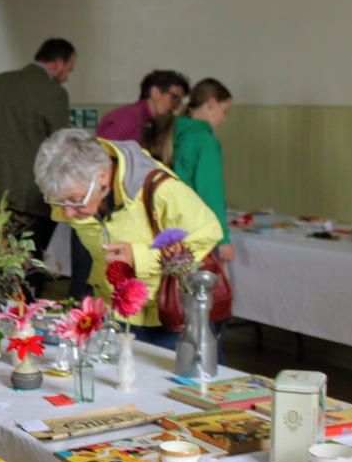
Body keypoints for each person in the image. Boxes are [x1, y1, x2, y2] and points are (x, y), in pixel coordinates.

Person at [34, 128, 222, 351]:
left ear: (101, 177)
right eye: (59, 202)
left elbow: (208, 234)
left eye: (74, 200)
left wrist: (140, 257)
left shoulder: (160, 189)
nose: (67, 214)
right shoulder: (73, 199)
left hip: (168, 320)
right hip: (114, 316)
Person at [65, 70, 192, 299]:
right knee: (88, 282)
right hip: (95, 209)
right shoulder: (129, 118)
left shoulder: (143, 121)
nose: (176, 105)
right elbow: (98, 162)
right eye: (174, 97)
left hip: (108, 212)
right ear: (154, 92)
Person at [0, 38, 75, 296]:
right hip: (31, 194)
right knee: (29, 262)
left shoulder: (0, 81)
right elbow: (61, 145)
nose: (66, 78)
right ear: (58, 63)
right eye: (68, 70)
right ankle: (24, 318)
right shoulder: (54, 92)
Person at [172, 79, 234, 262]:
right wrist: (222, 238)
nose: (224, 118)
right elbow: (210, 193)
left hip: (175, 226)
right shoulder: (206, 142)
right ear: (211, 103)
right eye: (224, 111)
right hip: (198, 231)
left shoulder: (176, 132)